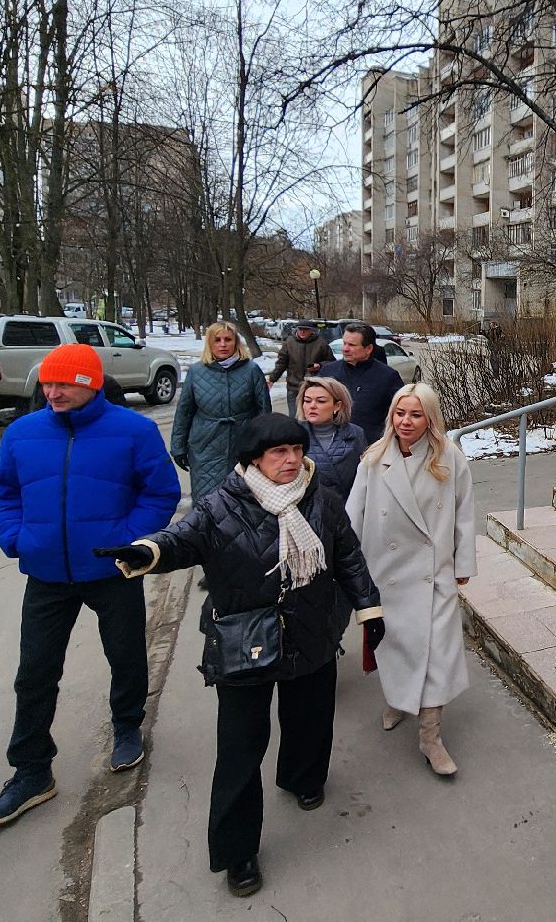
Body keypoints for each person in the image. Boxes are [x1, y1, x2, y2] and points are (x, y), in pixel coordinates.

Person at [98, 414, 384, 898]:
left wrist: (368, 608)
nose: (292, 460)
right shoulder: (219, 506)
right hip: (243, 640)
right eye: (279, 453)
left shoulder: (324, 501)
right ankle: (238, 851)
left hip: (312, 631)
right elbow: (182, 540)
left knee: (311, 717)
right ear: (254, 459)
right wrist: (146, 552)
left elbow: (349, 556)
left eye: (297, 450)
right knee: (239, 749)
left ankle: (302, 777)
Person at [0, 344, 180, 829]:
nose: (53, 392)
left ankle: (127, 727)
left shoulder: (133, 430)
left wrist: (127, 541)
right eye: (48, 383)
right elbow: (2, 492)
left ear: (89, 383)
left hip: (111, 571)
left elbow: (161, 492)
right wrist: (15, 538)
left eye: (63, 384)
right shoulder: (23, 432)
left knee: (126, 654)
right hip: (46, 574)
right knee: (35, 672)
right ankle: (30, 771)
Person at [348, 384, 475, 776]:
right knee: (395, 647)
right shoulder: (373, 459)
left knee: (438, 653)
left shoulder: (449, 458)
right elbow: (354, 515)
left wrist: (462, 563)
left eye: (415, 414)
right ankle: (398, 697)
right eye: (400, 413)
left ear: (430, 419)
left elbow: (464, 513)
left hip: (433, 574)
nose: (406, 421)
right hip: (386, 574)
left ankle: (430, 736)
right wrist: (348, 569)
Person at [173, 321, 273, 502]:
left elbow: (264, 411)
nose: (223, 344)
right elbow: (184, 411)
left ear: (236, 342)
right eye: (217, 340)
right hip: (205, 445)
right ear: (210, 343)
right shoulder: (197, 372)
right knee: (207, 499)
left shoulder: (251, 370)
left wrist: (262, 445)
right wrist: (178, 446)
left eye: (228, 339)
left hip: (242, 444)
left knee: (242, 499)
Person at [297, 377, 368, 500]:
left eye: (321, 401)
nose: (312, 406)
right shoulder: (294, 435)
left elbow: (364, 478)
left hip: (347, 509)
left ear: (337, 406)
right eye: (307, 401)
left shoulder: (356, 434)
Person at [267, 320, 333, 418]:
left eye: (305, 330)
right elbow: (281, 363)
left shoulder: (321, 344)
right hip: (293, 387)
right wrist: (272, 379)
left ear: (311, 330)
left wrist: (320, 365)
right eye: (300, 329)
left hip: (313, 387)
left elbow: (331, 362)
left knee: (312, 417)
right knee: (295, 418)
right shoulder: (289, 343)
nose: (302, 332)